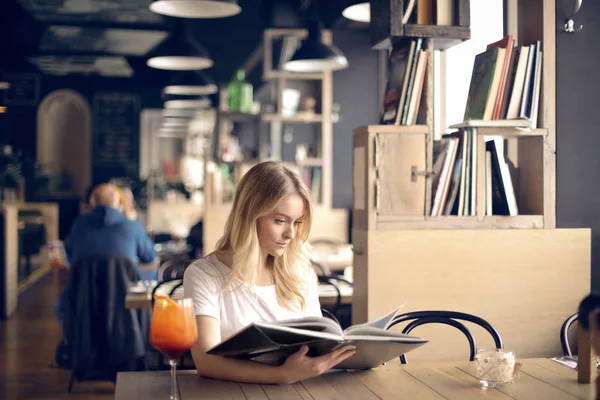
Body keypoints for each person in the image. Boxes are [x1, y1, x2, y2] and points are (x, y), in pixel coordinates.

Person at [183, 161, 355, 384]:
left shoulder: (301, 271)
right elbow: (206, 363)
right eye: (280, 221)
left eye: (297, 222)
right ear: (249, 216)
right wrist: (281, 375)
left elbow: (315, 346)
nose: (290, 233)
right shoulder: (204, 275)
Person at [54, 183, 158, 334]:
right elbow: (150, 257)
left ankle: (76, 343)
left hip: (84, 299)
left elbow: (70, 257)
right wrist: (133, 221)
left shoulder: (79, 224)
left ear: (91, 203)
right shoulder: (131, 226)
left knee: (60, 307)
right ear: (118, 203)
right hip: (125, 299)